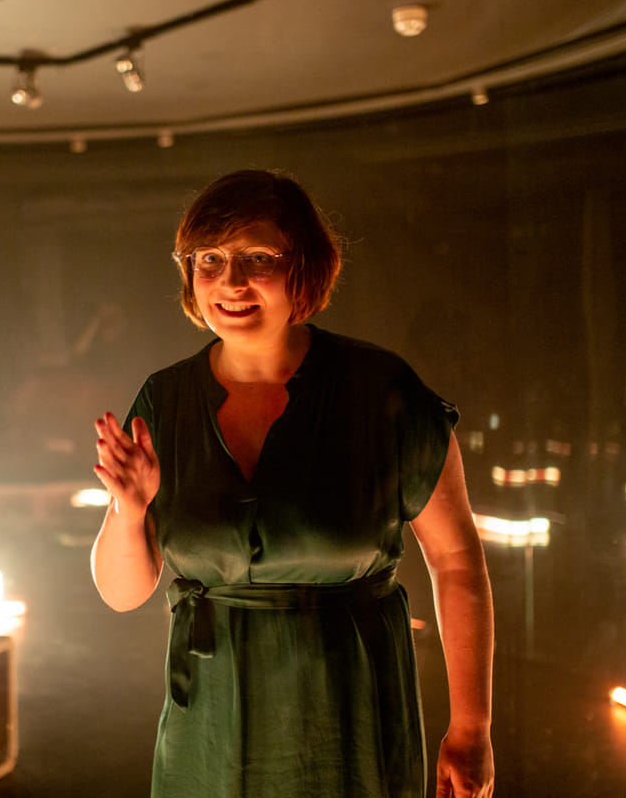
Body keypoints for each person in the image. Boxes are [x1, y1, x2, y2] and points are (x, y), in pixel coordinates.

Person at [90, 170, 494, 798]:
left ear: (303, 266)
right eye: (210, 259)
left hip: (350, 722)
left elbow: (457, 560)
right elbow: (123, 594)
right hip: (208, 738)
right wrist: (129, 508)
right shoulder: (164, 401)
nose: (231, 281)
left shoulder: (380, 393)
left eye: (257, 258)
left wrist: (472, 727)